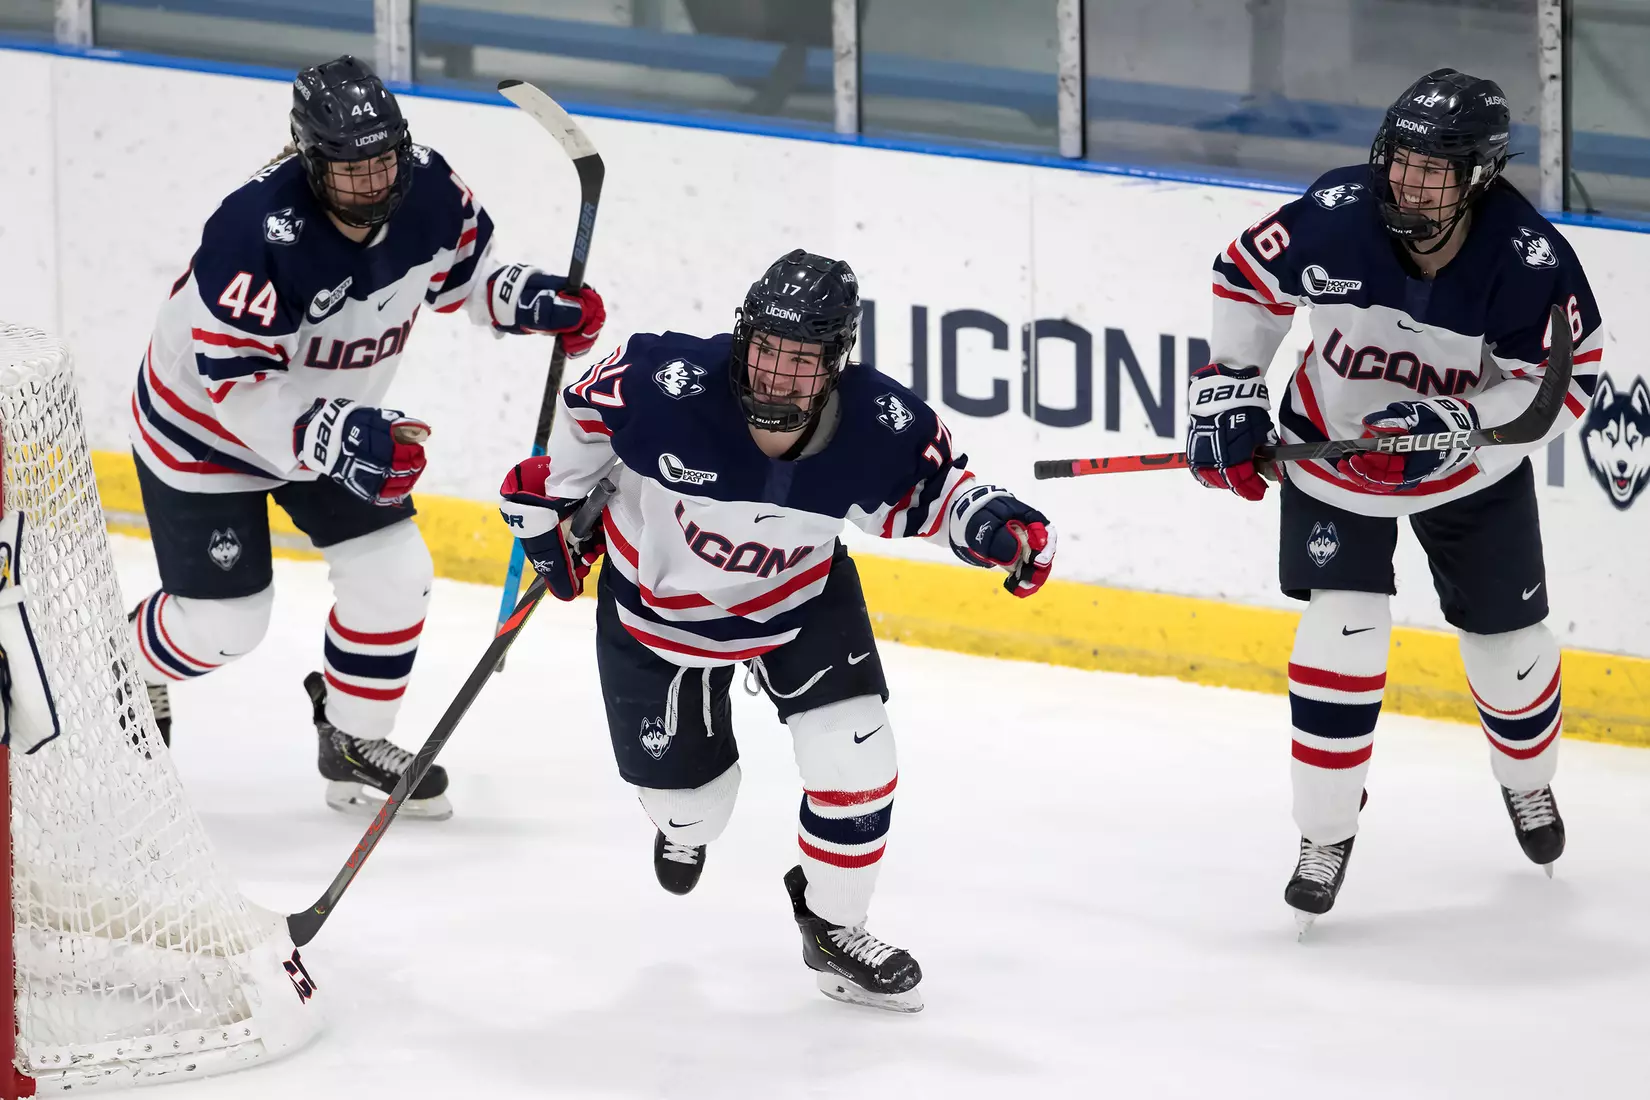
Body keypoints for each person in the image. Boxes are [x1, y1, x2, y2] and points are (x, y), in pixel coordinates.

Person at [497, 249, 1057, 1011]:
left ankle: (835, 930)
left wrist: (992, 523)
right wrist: (559, 501)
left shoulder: (880, 423)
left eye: (801, 359)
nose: (776, 375)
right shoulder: (664, 383)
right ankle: (682, 824)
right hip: (659, 616)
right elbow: (584, 417)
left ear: (835, 361)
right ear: (744, 339)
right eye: (766, 349)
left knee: (857, 757)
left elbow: (936, 492)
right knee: (696, 808)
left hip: (801, 601)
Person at [127, 56, 605, 821]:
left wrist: (527, 298)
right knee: (225, 625)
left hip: (334, 423)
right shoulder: (255, 232)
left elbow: (468, 278)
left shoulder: (431, 191)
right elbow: (237, 390)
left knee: (395, 576)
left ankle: (351, 737)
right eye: (352, 169)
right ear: (312, 162)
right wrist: (335, 434)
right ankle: (120, 663)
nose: (374, 182)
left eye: (384, 160)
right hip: (206, 430)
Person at [1186, 68, 1603, 932]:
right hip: (1334, 446)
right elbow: (1245, 278)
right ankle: (1324, 834)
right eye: (1401, 159)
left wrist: (1459, 423)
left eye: (1434, 167)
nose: (1408, 181)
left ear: (1479, 174)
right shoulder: (1335, 215)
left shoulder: (1527, 259)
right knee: (1340, 636)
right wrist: (1231, 386)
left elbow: (1564, 385)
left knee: (1509, 650)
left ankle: (1528, 783)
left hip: (1468, 468)